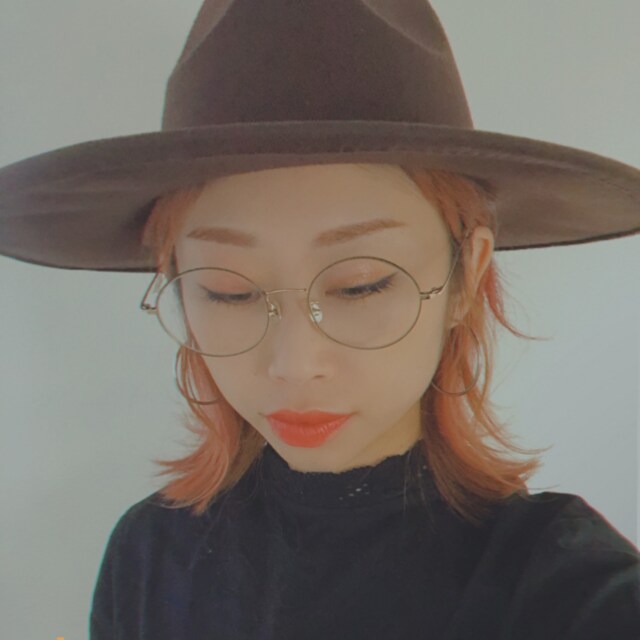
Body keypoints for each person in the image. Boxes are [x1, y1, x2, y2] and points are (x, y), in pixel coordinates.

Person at [0, 1, 638, 638]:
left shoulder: (560, 588)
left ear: (465, 276)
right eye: (227, 292)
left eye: (360, 285)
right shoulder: (147, 557)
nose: (294, 365)